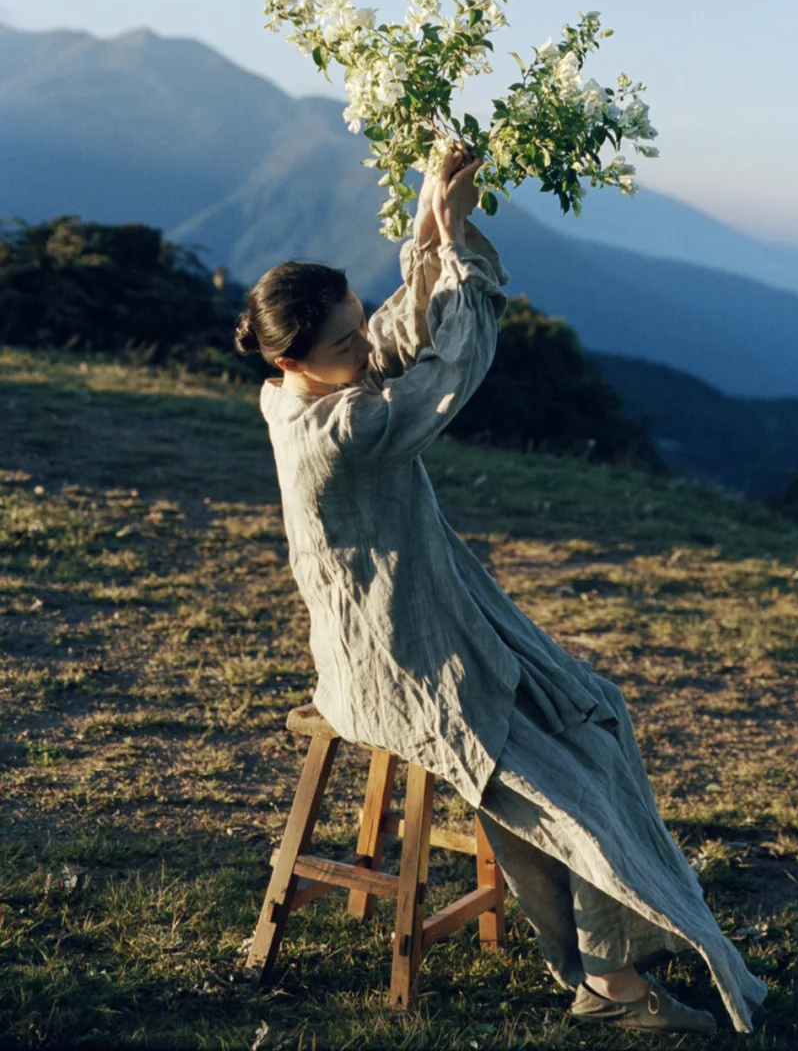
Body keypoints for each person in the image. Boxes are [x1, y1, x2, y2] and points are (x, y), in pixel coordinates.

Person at [235, 147, 769, 1036]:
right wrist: (454, 248)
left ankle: (611, 967)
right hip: (400, 660)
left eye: (357, 324)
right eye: (344, 343)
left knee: (593, 711)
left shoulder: (310, 385)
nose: (365, 346)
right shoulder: (344, 428)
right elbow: (445, 374)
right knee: (577, 768)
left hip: (429, 624)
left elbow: (402, 333)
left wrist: (433, 224)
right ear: (294, 359)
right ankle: (612, 985)